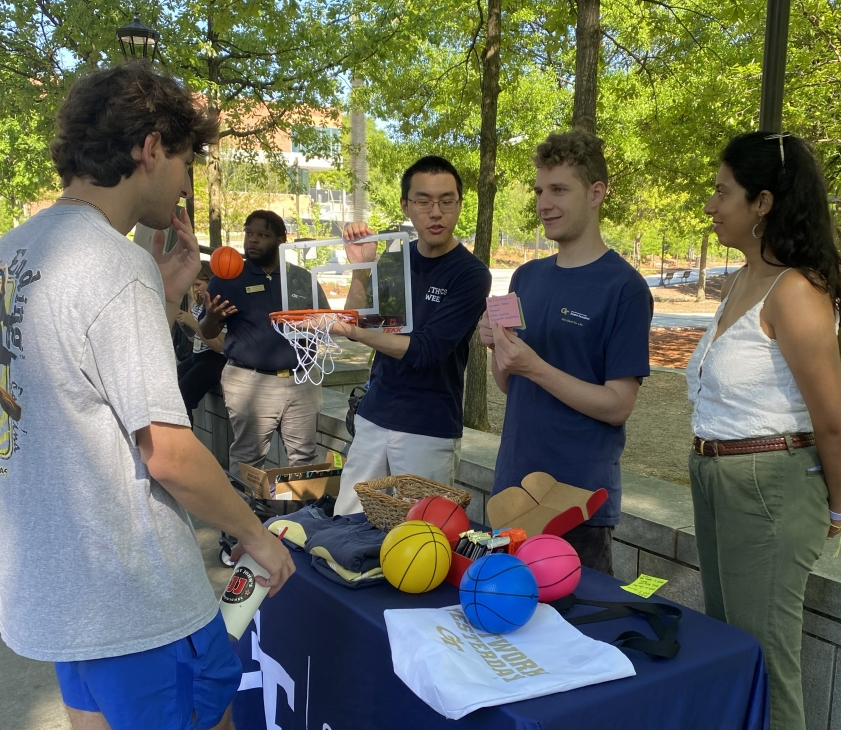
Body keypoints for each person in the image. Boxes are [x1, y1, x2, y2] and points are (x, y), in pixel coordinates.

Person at [0, 61, 294, 730]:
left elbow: (41, 392)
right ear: (149, 145)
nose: (185, 190)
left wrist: (164, 303)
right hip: (126, 583)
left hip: (57, 568)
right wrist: (250, 530)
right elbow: (166, 451)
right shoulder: (110, 263)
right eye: (184, 164)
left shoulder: (21, 250)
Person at [687, 131, 841, 730]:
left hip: (771, 485)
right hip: (718, 477)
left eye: (724, 191)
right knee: (734, 651)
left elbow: (837, 422)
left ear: (762, 203)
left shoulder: (794, 289)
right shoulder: (739, 282)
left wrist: (840, 507)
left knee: (767, 661)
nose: (712, 204)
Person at [480, 130, 652, 574]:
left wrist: (535, 367)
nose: (543, 203)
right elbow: (506, 383)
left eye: (559, 189)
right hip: (511, 491)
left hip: (577, 502)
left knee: (577, 637)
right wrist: (495, 347)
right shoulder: (525, 277)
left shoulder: (625, 288)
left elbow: (618, 406)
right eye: (540, 190)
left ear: (596, 193)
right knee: (504, 625)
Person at [332, 156, 491, 513]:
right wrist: (361, 269)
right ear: (406, 205)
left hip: (428, 427)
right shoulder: (392, 262)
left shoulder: (470, 274)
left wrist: (356, 332)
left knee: (420, 540)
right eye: (423, 200)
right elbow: (358, 319)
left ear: (459, 205)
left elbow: (427, 350)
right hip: (374, 416)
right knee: (346, 520)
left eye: (446, 201)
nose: (436, 212)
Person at [200, 210, 328, 477]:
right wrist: (212, 317)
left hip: (301, 381)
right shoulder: (227, 278)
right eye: (249, 234)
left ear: (281, 240)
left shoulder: (301, 278)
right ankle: (242, 517)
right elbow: (207, 331)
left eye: (262, 235)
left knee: (305, 459)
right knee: (248, 459)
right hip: (249, 382)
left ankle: (302, 517)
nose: (252, 241)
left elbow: (326, 322)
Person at [177, 264, 227, 421]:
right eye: (193, 285)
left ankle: (183, 439)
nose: (196, 289)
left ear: (210, 281)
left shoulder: (219, 307)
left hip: (214, 359)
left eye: (198, 284)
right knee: (169, 387)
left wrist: (193, 323)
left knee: (182, 398)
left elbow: (219, 346)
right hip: (197, 356)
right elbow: (195, 339)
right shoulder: (197, 304)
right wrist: (185, 327)